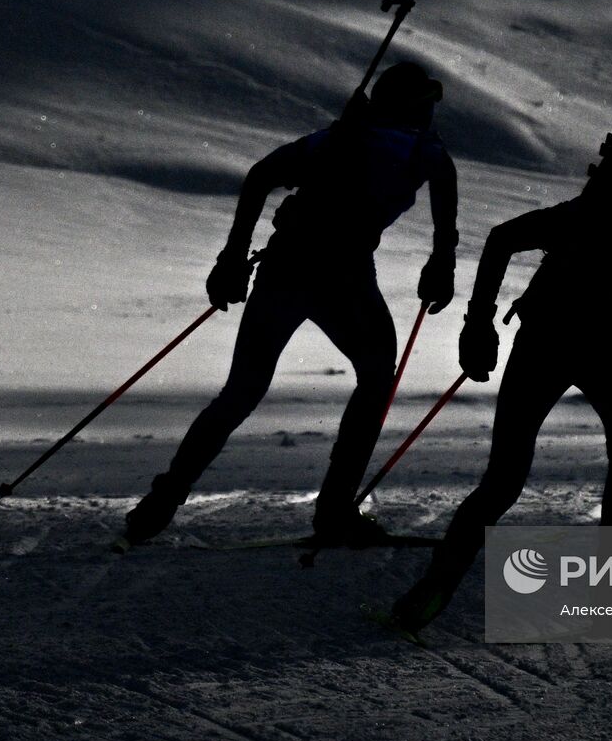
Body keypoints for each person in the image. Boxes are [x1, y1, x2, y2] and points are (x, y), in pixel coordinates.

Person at [391, 119, 612, 632]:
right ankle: (611, 591)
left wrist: (480, 323)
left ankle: (437, 586)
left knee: (503, 481)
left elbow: (503, 239)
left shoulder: (603, 205)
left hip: (546, 341)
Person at [120, 61, 458, 548]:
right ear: (412, 107)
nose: (430, 112)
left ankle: (160, 504)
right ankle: (336, 511)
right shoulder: (424, 151)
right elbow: (445, 215)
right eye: (425, 102)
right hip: (345, 278)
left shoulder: (337, 138)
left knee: (242, 390)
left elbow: (261, 176)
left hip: (286, 268)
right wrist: (440, 266)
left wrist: (233, 256)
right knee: (377, 375)